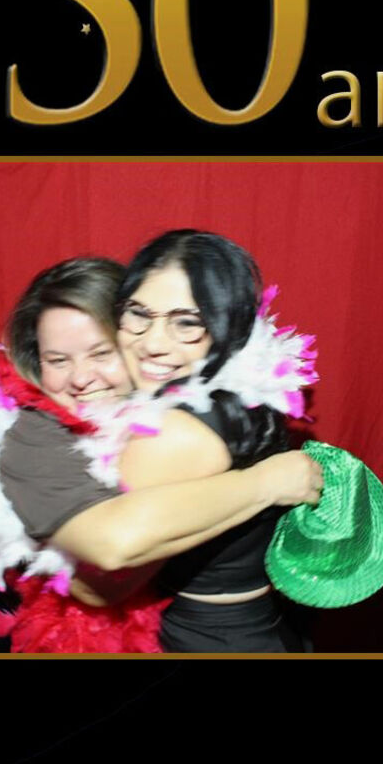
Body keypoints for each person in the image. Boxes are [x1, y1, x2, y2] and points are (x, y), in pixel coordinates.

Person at [0, 256, 323, 652]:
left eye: (101, 353)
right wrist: (264, 483)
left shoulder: (175, 401)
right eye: (58, 360)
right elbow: (103, 579)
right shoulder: (31, 442)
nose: (80, 378)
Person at [111, 229, 317, 653]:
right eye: (139, 313)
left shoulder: (175, 433)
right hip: (257, 624)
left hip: (201, 638)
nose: (152, 342)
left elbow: (103, 585)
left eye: (186, 322)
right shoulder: (244, 397)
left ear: (227, 327)